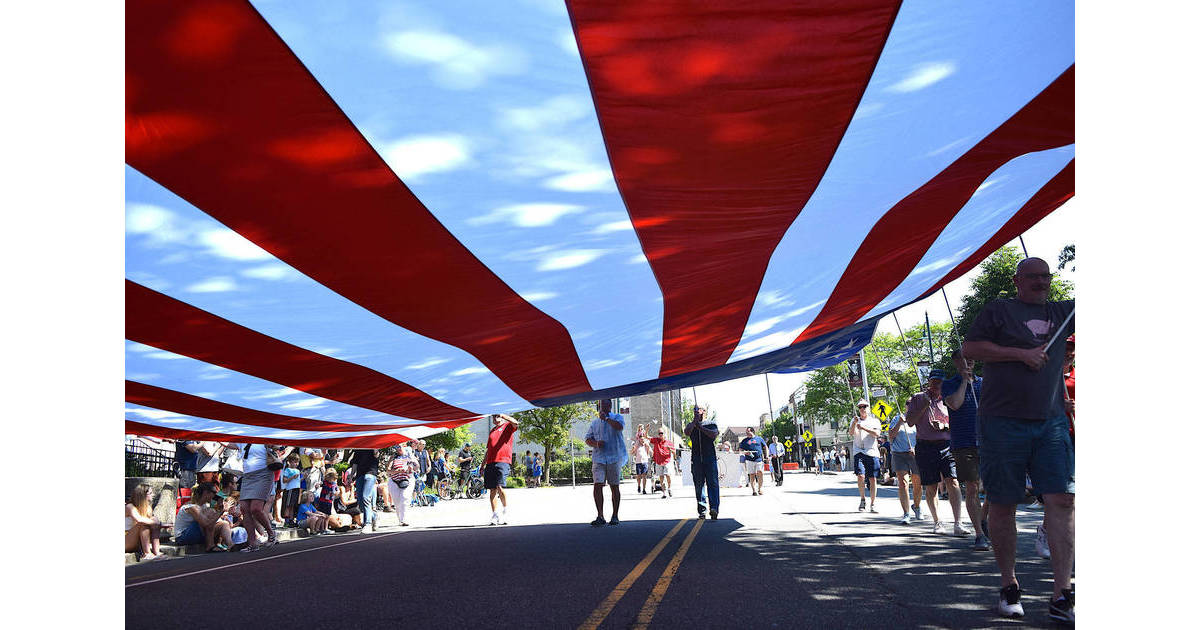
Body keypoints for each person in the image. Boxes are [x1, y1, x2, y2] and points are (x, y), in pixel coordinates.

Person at [963, 256, 1074, 622]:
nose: (1041, 282)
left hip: (1051, 422)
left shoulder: (1065, 311)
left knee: (1062, 500)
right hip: (1002, 422)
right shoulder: (999, 310)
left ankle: (1062, 594)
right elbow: (971, 349)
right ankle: (1009, 586)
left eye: (1046, 276)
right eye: (1033, 277)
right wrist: (1020, 354)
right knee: (1003, 503)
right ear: (1018, 281)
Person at [906, 370, 968, 537]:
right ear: (928, 382)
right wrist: (925, 405)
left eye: (939, 382)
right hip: (925, 446)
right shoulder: (918, 398)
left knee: (953, 482)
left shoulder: (949, 397)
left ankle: (958, 522)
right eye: (933, 382)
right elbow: (910, 422)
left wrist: (945, 426)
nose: (936, 386)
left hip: (947, 445)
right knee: (931, 486)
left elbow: (959, 420)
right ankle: (937, 521)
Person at [944, 348, 991, 551]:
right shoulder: (949, 384)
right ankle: (979, 534)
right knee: (971, 487)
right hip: (964, 442)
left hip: (989, 442)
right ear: (956, 362)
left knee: (993, 488)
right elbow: (954, 404)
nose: (969, 361)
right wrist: (964, 380)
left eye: (971, 357)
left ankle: (983, 519)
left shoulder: (984, 383)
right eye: (964, 358)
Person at [584, 399, 628, 526]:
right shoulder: (594, 423)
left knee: (614, 486)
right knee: (597, 485)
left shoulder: (617, 417)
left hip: (614, 457)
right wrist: (596, 444)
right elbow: (587, 439)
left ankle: (615, 516)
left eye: (606, 405)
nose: (603, 407)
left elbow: (620, 427)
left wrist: (607, 419)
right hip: (599, 458)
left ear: (610, 406)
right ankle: (600, 516)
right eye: (601, 405)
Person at [235, 443, 278, 552]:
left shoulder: (263, 438)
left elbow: (278, 445)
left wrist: (272, 445)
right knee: (244, 508)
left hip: (263, 474)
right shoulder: (241, 440)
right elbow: (226, 442)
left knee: (255, 508)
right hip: (248, 476)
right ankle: (252, 543)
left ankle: (271, 533)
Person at [175, 483, 234, 552]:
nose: (215, 496)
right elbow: (206, 524)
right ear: (206, 493)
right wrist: (221, 511)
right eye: (214, 493)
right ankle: (210, 546)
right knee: (209, 514)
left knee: (224, 524)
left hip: (197, 533)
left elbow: (214, 521)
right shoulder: (191, 507)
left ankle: (231, 545)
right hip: (183, 537)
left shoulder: (205, 506)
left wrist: (221, 509)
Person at [484, 413, 520, 525]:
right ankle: (495, 514)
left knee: (500, 486)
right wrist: (482, 465)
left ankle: (505, 511)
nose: (495, 418)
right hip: (490, 462)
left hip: (502, 461)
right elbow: (488, 450)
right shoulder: (492, 431)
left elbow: (516, 423)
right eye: (493, 416)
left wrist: (503, 415)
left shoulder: (507, 426)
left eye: (497, 416)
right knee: (492, 490)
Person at [686, 405, 721, 520]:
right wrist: (694, 423)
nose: (696, 412)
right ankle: (702, 510)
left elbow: (713, 435)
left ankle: (714, 508)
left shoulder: (711, 424)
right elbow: (687, 432)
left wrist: (700, 427)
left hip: (709, 457)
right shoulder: (691, 425)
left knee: (713, 483)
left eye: (699, 410)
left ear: (704, 412)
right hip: (696, 458)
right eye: (694, 410)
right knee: (699, 485)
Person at [889, 412, 924, 524]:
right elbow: (890, 435)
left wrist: (916, 448)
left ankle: (917, 506)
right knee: (903, 483)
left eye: (912, 403)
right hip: (899, 453)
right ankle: (906, 513)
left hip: (915, 453)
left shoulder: (919, 417)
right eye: (908, 403)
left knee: (917, 483)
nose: (910, 405)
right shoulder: (896, 418)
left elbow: (924, 436)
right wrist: (900, 422)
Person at [850, 400, 883, 513]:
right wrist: (854, 424)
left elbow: (877, 434)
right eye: (860, 407)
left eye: (864, 406)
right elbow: (850, 433)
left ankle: (873, 503)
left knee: (873, 478)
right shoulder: (855, 420)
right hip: (858, 451)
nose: (862, 409)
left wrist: (863, 428)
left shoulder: (874, 421)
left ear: (868, 408)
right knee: (860, 476)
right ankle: (863, 499)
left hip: (871, 451)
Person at [125, 483, 165, 560]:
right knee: (143, 523)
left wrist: (157, 522)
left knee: (153, 520)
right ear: (142, 495)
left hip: (137, 542)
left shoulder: (148, 508)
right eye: (150, 493)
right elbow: (139, 519)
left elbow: (152, 523)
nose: (153, 495)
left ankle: (156, 551)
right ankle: (147, 553)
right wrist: (158, 523)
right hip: (126, 540)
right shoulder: (129, 507)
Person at [350, 448, 381, 533]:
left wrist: (376, 450)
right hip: (360, 475)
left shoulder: (373, 444)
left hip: (370, 473)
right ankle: (374, 516)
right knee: (360, 501)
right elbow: (355, 463)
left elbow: (376, 454)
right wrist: (351, 475)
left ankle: (367, 524)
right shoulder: (358, 448)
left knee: (365, 497)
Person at [387, 444, 419, 527]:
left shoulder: (409, 455)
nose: (398, 449)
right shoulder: (393, 457)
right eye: (396, 447)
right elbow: (388, 470)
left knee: (405, 498)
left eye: (399, 446)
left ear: (404, 446)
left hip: (408, 479)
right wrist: (398, 471)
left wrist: (411, 468)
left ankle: (404, 519)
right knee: (397, 502)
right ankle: (400, 519)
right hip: (394, 481)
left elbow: (417, 466)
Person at [739, 427, 768, 496]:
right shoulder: (744, 441)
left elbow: (765, 447)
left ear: (752, 431)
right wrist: (745, 452)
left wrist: (766, 455)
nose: (746, 433)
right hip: (749, 460)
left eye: (747, 431)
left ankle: (760, 489)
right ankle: (754, 490)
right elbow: (740, 450)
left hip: (759, 459)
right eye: (746, 432)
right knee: (752, 475)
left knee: (760, 473)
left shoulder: (759, 439)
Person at [650, 426, 674, 498]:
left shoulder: (669, 442)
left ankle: (669, 488)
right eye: (659, 433)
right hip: (658, 462)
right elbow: (646, 437)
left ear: (664, 434)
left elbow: (674, 452)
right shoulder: (656, 440)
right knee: (661, 477)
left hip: (667, 461)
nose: (660, 435)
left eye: (662, 433)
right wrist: (647, 429)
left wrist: (670, 449)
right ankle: (664, 493)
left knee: (667, 475)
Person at [280, 453, 302, 527]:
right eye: (294, 462)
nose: (296, 464)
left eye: (297, 462)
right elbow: (284, 480)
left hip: (296, 489)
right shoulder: (288, 470)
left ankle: (291, 520)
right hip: (290, 489)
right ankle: (286, 520)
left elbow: (298, 480)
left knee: (293, 505)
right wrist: (292, 477)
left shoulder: (298, 470)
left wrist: (304, 477)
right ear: (290, 462)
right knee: (288, 505)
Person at [632, 427, 652, 495]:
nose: (642, 440)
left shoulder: (646, 445)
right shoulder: (637, 445)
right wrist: (633, 449)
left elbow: (649, 450)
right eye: (641, 439)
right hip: (638, 462)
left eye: (643, 439)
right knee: (638, 476)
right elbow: (632, 452)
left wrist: (651, 454)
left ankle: (644, 489)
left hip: (645, 462)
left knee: (644, 476)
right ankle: (639, 485)